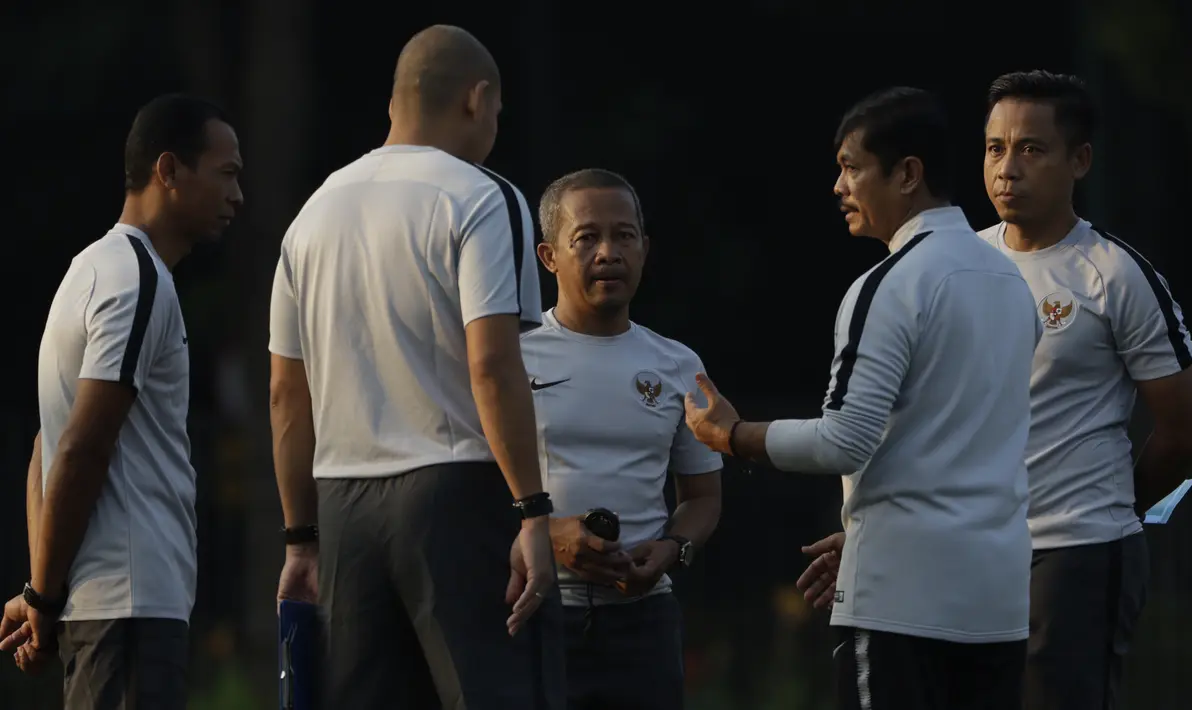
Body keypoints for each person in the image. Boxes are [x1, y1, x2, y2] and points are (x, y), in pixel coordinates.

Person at [684, 87, 1040, 710]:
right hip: (999, 602)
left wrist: (732, 436)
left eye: (851, 166)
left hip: (903, 601)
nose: (838, 185)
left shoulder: (890, 283)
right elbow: (967, 444)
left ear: (907, 174)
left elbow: (843, 438)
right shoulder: (1010, 280)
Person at [267, 25, 564, 709]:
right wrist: (531, 513)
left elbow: (287, 394)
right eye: (496, 111)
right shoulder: (481, 197)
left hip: (341, 501)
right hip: (454, 491)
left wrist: (300, 541)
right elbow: (492, 365)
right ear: (477, 98)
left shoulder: (310, 217)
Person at [977, 70, 1192, 710]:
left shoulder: (1115, 275)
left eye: (1031, 148)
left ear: (1079, 160)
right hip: (965, 546)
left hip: (1074, 552)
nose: (1007, 168)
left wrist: (1115, 507)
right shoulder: (955, 266)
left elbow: (1188, 429)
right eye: (995, 148)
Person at [0, 93, 244, 709]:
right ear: (168, 170)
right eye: (227, 174)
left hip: (102, 606)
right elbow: (79, 450)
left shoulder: (87, 271)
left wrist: (41, 590)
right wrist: (43, 597)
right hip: (130, 605)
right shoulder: (136, 278)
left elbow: (44, 451)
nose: (238, 197)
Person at [522, 168, 723, 710]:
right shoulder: (509, 359)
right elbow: (465, 488)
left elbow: (702, 499)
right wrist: (546, 532)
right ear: (549, 257)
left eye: (624, 236)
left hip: (644, 621)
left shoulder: (680, 365)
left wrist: (671, 549)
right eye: (586, 238)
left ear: (645, 248)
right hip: (531, 611)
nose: (608, 252)